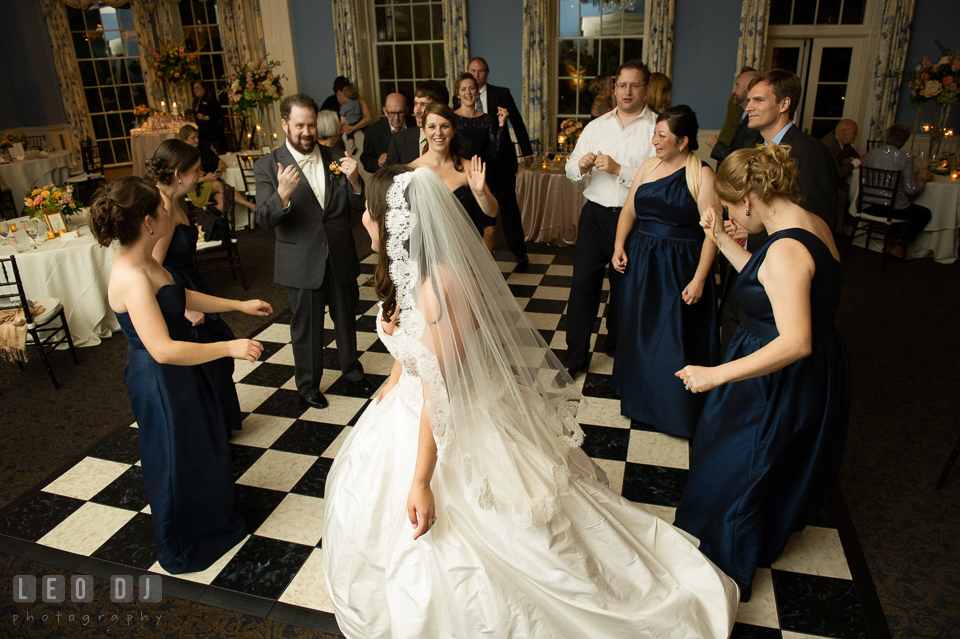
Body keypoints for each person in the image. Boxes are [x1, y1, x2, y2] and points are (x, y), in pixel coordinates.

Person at [322, 164, 739, 638]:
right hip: (408, 410)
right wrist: (391, 384)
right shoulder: (404, 268)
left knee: (514, 544)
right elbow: (414, 351)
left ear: (397, 218)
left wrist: (421, 481)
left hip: (447, 421)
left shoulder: (442, 286)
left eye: (370, 214)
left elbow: (441, 391)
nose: (364, 222)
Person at [673, 144, 851, 602]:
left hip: (777, 376)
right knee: (755, 463)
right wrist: (719, 238)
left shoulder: (788, 248)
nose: (734, 215)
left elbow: (795, 341)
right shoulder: (809, 225)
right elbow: (763, 279)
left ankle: (725, 576)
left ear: (748, 199)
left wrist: (716, 375)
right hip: (804, 370)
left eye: (732, 207)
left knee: (739, 469)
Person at [89, 176, 272, 574]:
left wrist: (238, 305)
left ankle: (214, 522)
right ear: (148, 222)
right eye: (163, 208)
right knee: (173, 459)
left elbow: (179, 296)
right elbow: (162, 349)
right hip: (159, 378)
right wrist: (230, 347)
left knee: (200, 448)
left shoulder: (146, 262)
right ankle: (181, 542)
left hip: (179, 370)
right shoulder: (131, 277)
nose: (172, 212)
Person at [254, 94, 373, 410]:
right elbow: (263, 219)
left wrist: (355, 180)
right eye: (299, 126)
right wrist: (281, 195)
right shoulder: (268, 165)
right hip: (301, 260)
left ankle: (352, 372)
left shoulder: (336, 155)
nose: (307, 132)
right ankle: (308, 385)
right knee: (307, 327)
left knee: (346, 318)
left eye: (311, 125)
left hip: (341, 254)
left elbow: (357, 207)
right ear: (284, 125)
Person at [611, 106, 718, 437]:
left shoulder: (701, 174)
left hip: (679, 264)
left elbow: (713, 233)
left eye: (662, 135)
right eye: (654, 134)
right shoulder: (647, 166)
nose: (654, 140)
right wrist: (618, 245)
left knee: (672, 336)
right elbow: (629, 209)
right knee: (639, 330)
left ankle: (673, 410)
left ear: (683, 141)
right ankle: (638, 400)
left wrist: (700, 278)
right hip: (642, 261)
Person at [718, 68, 838, 354]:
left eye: (758, 100)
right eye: (749, 100)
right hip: (748, 265)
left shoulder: (810, 153)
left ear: (784, 104)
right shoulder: (753, 147)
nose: (748, 107)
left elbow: (816, 229)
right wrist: (743, 230)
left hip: (781, 281)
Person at [563, 59, 657, 377]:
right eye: (622, 85)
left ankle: (616, 347)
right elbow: (570, 169)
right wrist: (582, 165)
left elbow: (658, 180)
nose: (627, 91)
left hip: (635, 220)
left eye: (634, 85)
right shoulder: (596, 126)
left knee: (624, 289)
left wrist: (620, 170)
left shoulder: (656, 127)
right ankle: (575, 358)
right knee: (582, 287)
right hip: (595, 216)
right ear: (614, 88)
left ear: (645, 88)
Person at [146, 139, 236, 352]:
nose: (200, 175)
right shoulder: (163, 208)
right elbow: (152, 267)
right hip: (177, 292)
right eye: (196, 170)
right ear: (178, 175)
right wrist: (183, 308)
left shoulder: (174, 200)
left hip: (188, 283)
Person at [467, 56, 533, 271]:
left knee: (508, 207)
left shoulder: (501, 93)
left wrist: (527, 151)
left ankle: (519, 251)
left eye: (481, 71)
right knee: (478, 208)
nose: (477, 75)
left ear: (487, 73)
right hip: (475, 165)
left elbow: (518, 122)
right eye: (473, 71)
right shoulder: (461, 97)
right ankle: (482, 252)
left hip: (501, 163)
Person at [411, 103, 499, 251]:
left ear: (453, 130)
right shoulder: (412, 170)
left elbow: (492, 211)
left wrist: (481, 192)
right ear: (424, 130)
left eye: (444, 126)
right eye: (432, 126)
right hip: (426, 249)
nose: (438, 133)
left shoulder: (468, 167)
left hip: (460, 248)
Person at [861, 122, 934, 258]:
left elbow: (865, 175)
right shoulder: (905, 157)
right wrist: (923, 181)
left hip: (867, 205)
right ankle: (899, 248)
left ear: (886, 137)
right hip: (890, 209)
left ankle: (889, 244)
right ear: (903, 141)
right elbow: (911, 189)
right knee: (924, 213)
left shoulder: (872, 153)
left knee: (899, 204)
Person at [178, 125, 256, 216]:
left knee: (222, 198)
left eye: (197, 137)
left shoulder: (202, 149)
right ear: (185, 140)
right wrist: (206, 178)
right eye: (193, 138)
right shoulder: (182, 156)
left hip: (209, 183)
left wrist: (221, 169)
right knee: (218, 185)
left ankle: (214, 225)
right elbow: (184, 180)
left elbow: (220, 161)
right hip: (195, 188)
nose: (197, 140)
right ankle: (250, 205)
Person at [385, 81, 457, 165]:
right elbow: (390, 177)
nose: (417, 110)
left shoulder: (463, 145)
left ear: (440, 107)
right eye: (416, 104)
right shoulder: (399, 140)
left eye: (424, 105)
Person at [706, 67, 762, 167]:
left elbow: (745, 160)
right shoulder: (744, 116)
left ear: (749, 90)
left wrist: (717, 146)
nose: (733, 90)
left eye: (737, 86)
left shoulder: (755, 123)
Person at [453, 72, 507, 164]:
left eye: (472, 88)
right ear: (458, 94)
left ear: (477, 91)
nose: (468, 92)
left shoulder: (486, 119)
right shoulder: (451, 118)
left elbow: (493, 153)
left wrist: (501, 124)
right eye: (463, 89)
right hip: (459, 171)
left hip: (483, 171)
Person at [360, 92, 416, 174]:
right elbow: (366, 162)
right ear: (385, 111)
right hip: (387, 181)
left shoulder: (416, 125)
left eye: (400, 112)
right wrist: (378, 163)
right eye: (392, 113)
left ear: (406, 110)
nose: (396, 118)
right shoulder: (373, 131)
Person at [821, 119, 862, 228]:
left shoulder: (845, 144)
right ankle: (839, 228)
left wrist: (851, 159)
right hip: (824, 183)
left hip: (834, 181)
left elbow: (855, 155)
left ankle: (846, 224)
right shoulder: (829, 144)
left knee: (851, 189)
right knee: (844, 193)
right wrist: (857, 162)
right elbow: (837, 172)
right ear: (844, 131)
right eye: (854, 132)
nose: (857, 135)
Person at [191, 81, 227, 152]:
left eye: (198, 88)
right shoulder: (196, 101)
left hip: (213, 131)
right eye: (194, 88)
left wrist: (205, 117)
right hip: (202, 131)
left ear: (204, 88)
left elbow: (218, 114)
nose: (195, 90)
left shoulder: (211, 100)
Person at [339, 84, 370, 155]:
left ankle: (352, 146)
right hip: (357, 122)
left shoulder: (347, 105)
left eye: (340, 95)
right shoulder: (357, 103)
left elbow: (368, 118)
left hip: (353, 127)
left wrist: (352, 128)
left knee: (350, 135)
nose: (339, 97)